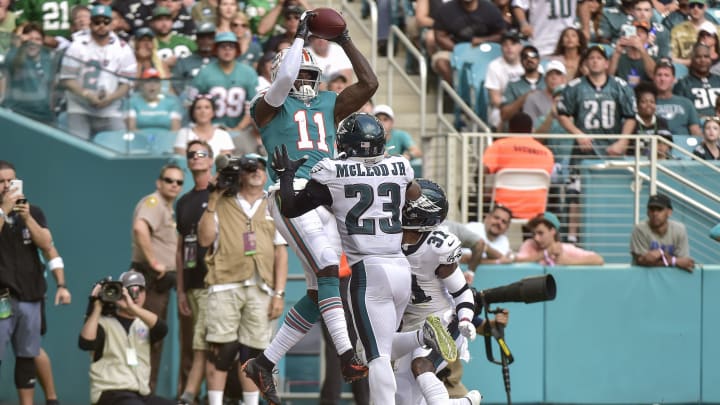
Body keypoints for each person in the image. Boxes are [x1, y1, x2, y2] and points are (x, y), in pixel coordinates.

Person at [269, 113, 457, 405]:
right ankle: (423, 336)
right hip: (399, 267)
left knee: (376, 356)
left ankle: (419, 341)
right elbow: (415, 194)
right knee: (377, 346)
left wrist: (286, 176)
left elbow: (292, 208)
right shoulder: (401, 166)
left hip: (369, 271)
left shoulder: (331, 170)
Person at [242, 11, 379, 403]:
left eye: (307, 74)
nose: (302, 80)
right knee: (328, 267)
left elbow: (370, 82)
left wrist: (346, 39)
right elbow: (283, 81)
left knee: (324, 289)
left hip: (326, 193)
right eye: (296, 73)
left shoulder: (328, 102)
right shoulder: (265, 107)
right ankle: (346, 356)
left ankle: (264, 363)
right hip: (291, 191)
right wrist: (300, 36)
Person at [398, 179, 508, 405]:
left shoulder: (437, 246)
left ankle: (460, 402)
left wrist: (466, 318)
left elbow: (461, 292)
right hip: (407, 326)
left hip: (440, 321)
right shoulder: (387, 240)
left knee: (421, 365)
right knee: (402, 396)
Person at [198, 153, 288, 405]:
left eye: (260, 166)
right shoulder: (222, 201)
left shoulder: (273, 202)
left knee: (253, 354)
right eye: (249, 168)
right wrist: (213, 199)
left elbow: (281, 252)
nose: (256, 171)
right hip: (224, 283)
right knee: (220, 350)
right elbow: (204, 240)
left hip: (261, 286)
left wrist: (278, 294)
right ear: (240, 174)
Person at [557, 44, 637, 243]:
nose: (595, 61)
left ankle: (614, 236)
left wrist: (623, 141)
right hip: (583, 149)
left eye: (599, 58)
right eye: (591, 57)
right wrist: (578, 134)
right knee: (575, 191)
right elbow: (563, 114)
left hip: (611, 149)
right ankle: (573, 237)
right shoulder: (575, 86)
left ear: (607, 62)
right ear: (585, 63)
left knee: (612, 191)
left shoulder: (620, 86)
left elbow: (630, 117)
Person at [0, 160, 54, 405]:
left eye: (10, 181)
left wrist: (27, 217)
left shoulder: (34, 211)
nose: (6, 186)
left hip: (30, 296)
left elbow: (46, 243)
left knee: (27, 357)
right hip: (2, 297)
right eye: (1, 182)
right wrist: (3, 210)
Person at [79, 271, 174, 405]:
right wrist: (97, 306)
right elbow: (85, 343)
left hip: (141, 395)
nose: (136, 295)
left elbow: (162, 329)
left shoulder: (145, 323)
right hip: (110, 392)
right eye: (130, 290)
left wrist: (133, 308)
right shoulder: (102, 323)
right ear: (121, 293)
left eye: (140, 290)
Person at [130, 163, 184, 391]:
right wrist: (154, 262)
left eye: (178, 182)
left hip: (161, 281)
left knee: (154, 337)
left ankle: (145, 390)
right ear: (159, 182)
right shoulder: (154, 202)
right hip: (150, 279)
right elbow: (140, 228)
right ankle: (141, 391)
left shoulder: (168, 208)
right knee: (147, 337)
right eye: (169, 180)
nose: (173, 185)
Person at [59, 4, 137, 140]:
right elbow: (67, 79)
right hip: (79, 106)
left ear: (112, 24)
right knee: (78, 148)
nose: (101, 25)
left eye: (106, 21)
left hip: (110, 108)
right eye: (97, 21)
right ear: (90, 24)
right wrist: (86, 95)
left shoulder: (123, 48)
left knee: (118, 145)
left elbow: (127, 83)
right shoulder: (77, 45)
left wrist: (110, 99)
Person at [176, 140, 214, 405]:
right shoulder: (184, 201)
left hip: (214, 280)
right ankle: (193, 394)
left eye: (202, 154)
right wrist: (179, 289)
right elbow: (179, 249)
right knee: (192, 342)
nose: (196, 158)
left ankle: (190, 395)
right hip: (191, 282)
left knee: (206, 341)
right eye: (191, 155)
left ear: (210, 160)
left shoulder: (220, 193)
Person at [482, 112, 554, 220]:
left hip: (502, 208)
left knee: (467, 201)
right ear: (531, 130)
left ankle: (482, 235)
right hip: (535, 209)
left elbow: (481, 171)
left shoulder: (499, 146)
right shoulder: (546, 152)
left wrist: (483, 193)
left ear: (510, 129)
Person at [319, 254, 370, 405]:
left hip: (333, 280)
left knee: (336, 350)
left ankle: (330, 401)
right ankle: (363, 401)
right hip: (356, 280)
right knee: (358, 349)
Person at [188, 31, 258, 132]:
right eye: (223, 46)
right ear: (215, 49)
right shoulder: (204, 73)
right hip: (210, 130)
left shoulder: (249, 73)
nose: (227, 50)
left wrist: (238, 128)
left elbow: (254, 107)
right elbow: (191, 103)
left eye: (231, 46)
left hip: (242, 130)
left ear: (237, 50)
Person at [431, 0, 505, 84]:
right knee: (441, 62)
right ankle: (459, 92)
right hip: (454, 50)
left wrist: (484, 40)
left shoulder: (490, 9)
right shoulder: (446, 9)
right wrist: (460, 50)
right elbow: (440, 36)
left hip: (486, 51)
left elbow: (501, 35)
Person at [1, 23, 56, 123]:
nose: (33, 43)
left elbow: (52, 87)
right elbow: (9, 63)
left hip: (44, 116)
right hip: (18, 115)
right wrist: (19, 42)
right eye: (30, 39)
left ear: (42, 42)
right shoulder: (18, 56)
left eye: (37, 39)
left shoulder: (48, 59)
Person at [630, 194, 695, 272]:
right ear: (647, 212)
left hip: (671, 278)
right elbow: (641, 261)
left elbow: (685, 262)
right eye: (652, 209)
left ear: (669, 212)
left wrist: (662, 255)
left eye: (659, 210)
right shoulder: (640, 229)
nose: (655, 214)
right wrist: (673, 261)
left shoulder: (679, 229)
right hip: (644, 278)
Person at [516, 211, 605, 265]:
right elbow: (517, 261)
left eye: (540, 233)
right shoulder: (529, 244)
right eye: (533, 234)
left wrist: (568, 262)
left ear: (552, 231)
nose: (536, 238)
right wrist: (546, 253)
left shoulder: (566, 248)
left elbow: (598, 259)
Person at [511, 0, 589, 57]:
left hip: (568, 40)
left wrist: (586, 28)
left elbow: (583, 2)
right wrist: (523, 23)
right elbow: (518, 4)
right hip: (541, 40)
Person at [653, 58, 702, 137]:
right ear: (654, 78)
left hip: (682, 146)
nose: (662, 79)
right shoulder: (647, 103)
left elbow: (695, 131)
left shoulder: (686, 103)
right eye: (659, 75)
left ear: (673, 79)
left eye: (666, 75)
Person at [672, 43, 720, 119]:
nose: (703, 60)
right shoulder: (682, 84)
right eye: (698, 57)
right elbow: (681, 111)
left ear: (711, 59)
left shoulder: (718, 80)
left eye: (706, 57)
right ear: (692, 60)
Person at [127, 67, 183, 132]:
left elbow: (175, 130)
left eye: (156, 82)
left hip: (166, 140)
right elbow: (131, 129)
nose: (152, 85)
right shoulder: (133, 102)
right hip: (140, 139)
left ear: (160, 85)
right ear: (142, 85)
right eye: (148, 81)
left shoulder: (171, 102)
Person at [171, 22, 217, 97]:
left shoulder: (222, 62)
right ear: (196, 39)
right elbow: (177, 86)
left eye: (210, 37)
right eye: (202, 37)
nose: (206, 41)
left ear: (215, 40)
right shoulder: (184, 62)